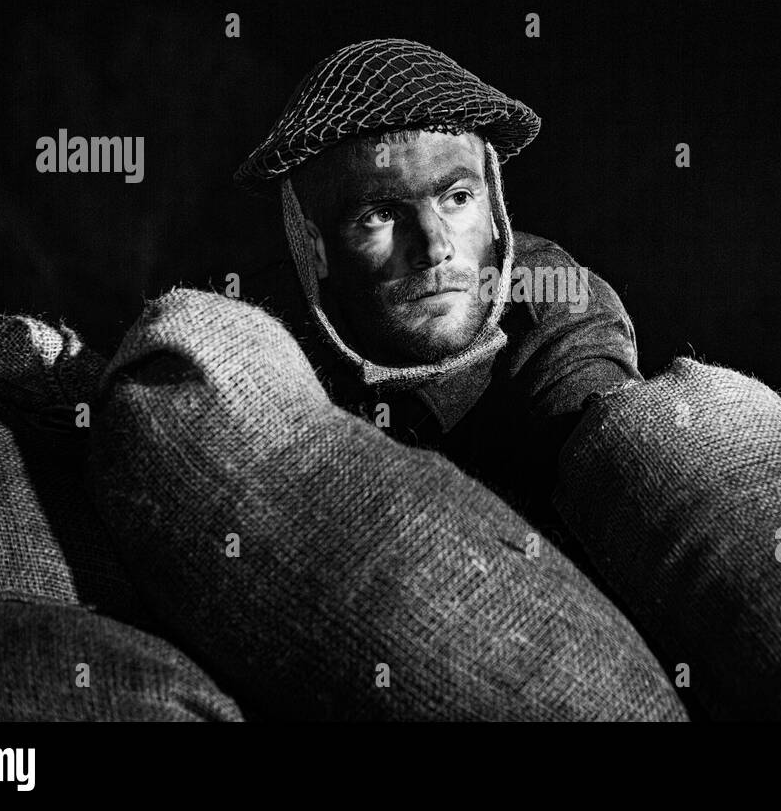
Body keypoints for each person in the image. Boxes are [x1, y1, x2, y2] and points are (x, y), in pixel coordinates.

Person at [234, 38, 639, 558]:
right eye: (380, 214)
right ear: (315, 250)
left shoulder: (552, 298)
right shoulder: (271, 334)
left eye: (458, 198)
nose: (433, 248)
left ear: (495, 209)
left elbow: (603, 434)